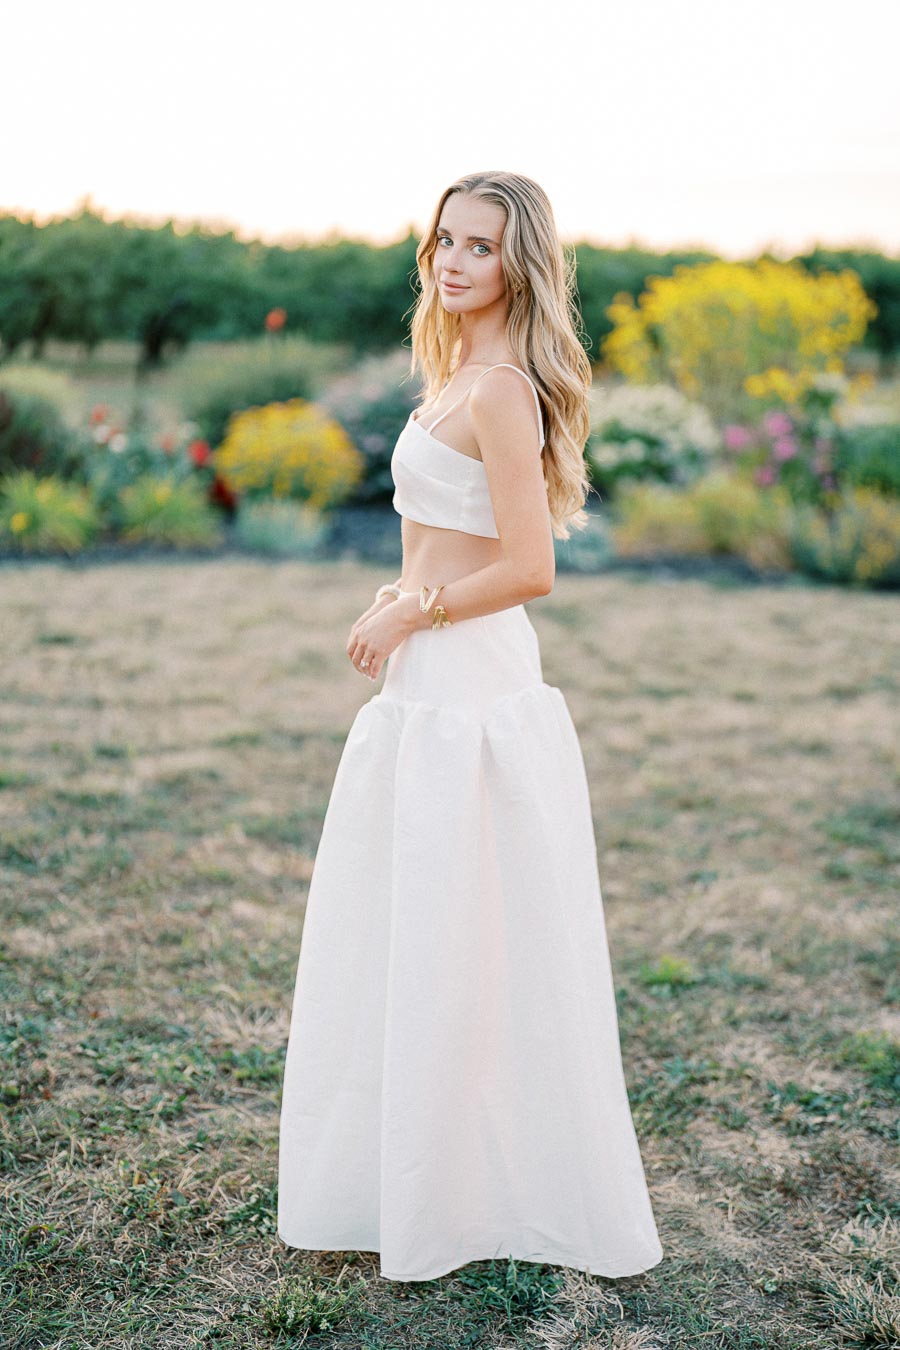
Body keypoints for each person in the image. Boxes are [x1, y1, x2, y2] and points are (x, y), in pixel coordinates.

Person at [277, 170, 664, 1283]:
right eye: (443, 239)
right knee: (419, 930)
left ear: (519, 264)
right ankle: (418, 1174)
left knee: (481, 933)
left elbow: (531, 565)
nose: (452, 261)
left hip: (473, 690)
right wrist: (397, 603)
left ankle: (491, 1186)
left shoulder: (502, 392)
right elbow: (432, 539)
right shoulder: (454, 376)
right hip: (421, 687)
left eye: (480, 247)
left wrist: (419, 606)